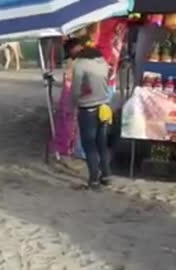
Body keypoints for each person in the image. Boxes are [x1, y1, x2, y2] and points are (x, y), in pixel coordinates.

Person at [65, 37, 112, 190]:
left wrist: (72, 105)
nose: (70, 57)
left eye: (69, 53)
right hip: (104, 107)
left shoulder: (80, 64)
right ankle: (106, 175)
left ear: (74, 50)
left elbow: (76, 89)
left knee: (89, 144)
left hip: (88, 109)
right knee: (101, 144)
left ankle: (94, 179)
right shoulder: (101, 59)